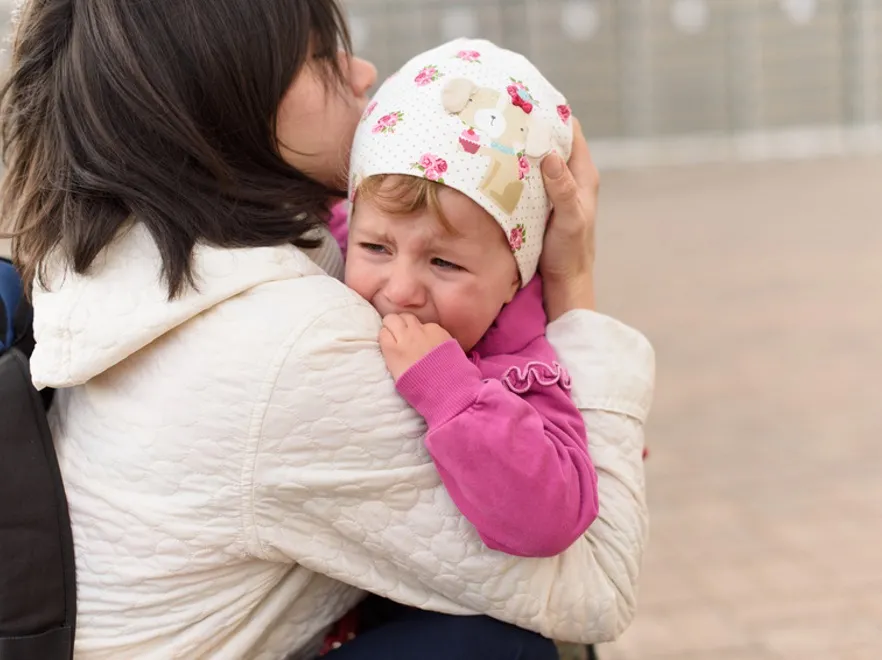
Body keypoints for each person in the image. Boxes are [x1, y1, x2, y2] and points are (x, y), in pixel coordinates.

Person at [0, 1, 654, 659]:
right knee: (492, 647)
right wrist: (572, 283)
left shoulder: (139, 254)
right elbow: (598, 582)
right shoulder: (289, 346)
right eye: (319, 58)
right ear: (227, 94)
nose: (363, 73)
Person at [339, 38, 598, 560]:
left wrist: (450, 391)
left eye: (445, 263)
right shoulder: (317, 261)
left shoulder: (525, 371)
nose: (401, 290)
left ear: (514, 280)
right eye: (375, 247)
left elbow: (551, 519)